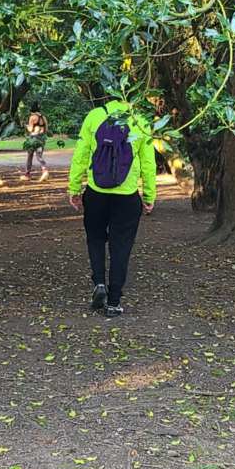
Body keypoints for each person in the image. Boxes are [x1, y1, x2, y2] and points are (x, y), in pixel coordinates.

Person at [67, 98, 156, 317]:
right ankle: (114, 301)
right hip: (127, 196)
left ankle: (99, 282)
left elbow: (81, 155)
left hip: (96, 192)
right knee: (121, 246)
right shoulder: (140, 121)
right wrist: (149, 194)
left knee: (95, 239)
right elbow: (148, 163)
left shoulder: (94, 116)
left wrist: (74, 188)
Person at [22, 102, 49, 181]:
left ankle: (27, 174)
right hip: (42, 138)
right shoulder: (43, 117)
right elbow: (46, 129)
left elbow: (30, 129)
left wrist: (26, 126)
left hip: (33, 138)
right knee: (39, 156)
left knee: (30, 156)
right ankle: (45, 171)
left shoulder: (32, 117)